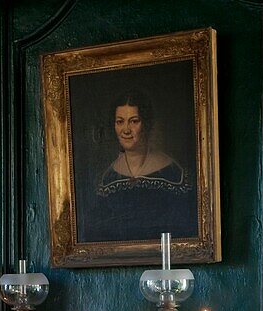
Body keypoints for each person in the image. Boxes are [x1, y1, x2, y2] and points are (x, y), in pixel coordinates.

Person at [79, 91, 197, 244]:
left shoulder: (174, 173)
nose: (126, 129)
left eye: (134, 121)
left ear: (146, 123)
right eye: (120, 122)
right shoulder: (106, 179)